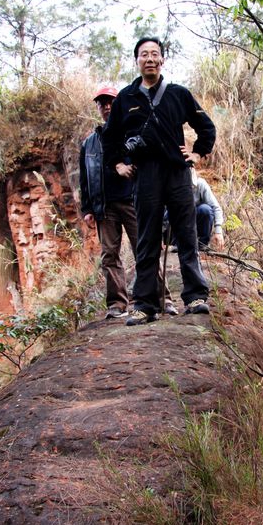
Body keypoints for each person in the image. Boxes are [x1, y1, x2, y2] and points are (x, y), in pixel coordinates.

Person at [102, 37, 216, 326]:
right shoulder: (126, 98)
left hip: (177, 173)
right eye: (144, 55)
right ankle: (144, 305)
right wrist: (117, 164)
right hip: (145, 175)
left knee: (187, 234)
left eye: (154, 54)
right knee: (147, 239)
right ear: (137, 60)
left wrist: (198, 153)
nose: (149, 59)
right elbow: (110, 137)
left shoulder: (178, 94)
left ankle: (195, 298)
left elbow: (205, 126)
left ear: (162, 60)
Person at [79, 85, 178, 318]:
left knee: (145, 250)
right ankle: (117, 304)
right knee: (109, 255)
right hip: (104, 206)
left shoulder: (133, 132)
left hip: (134, 201)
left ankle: (163, 300)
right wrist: (87, 209)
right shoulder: (89, 144)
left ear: (118, 104)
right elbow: (85, 178)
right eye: (101, 103)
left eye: (110, 102)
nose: (106, 106)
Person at [166, 168, 225, 251]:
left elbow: (216, 207)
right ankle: (177, 244)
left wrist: (218, 231)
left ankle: (202, 244)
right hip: (177, 222)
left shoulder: (200, 184)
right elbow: (162, 213)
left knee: (205, 209)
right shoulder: (172, 185)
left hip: (194, 219)